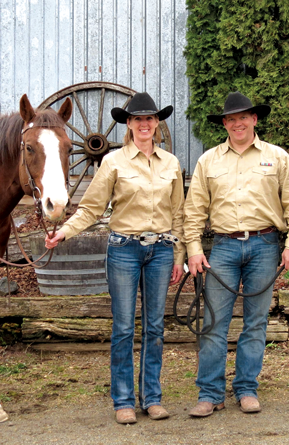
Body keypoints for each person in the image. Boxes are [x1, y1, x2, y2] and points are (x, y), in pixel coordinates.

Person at [44, 92, 185, 425]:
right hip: (124, 250)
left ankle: (152, 398)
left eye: (149, 118)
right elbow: (92, 208)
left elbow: (179, 213)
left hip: (161, 251)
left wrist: (179, 255)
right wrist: (65, 231)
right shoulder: (113, 162)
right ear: (129, 124)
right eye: (138, 119)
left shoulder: (171, 163)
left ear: (157, 123)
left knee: (155, 326)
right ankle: (123, 400)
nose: (144, 124)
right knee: (123, 327)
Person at [183, 92, 289, 417]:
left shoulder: (277, 157)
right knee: (213, 322)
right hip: (223, 247)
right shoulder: (208, 161)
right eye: (231, 119)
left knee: (256, 322)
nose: (237, 123)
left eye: (243, 117)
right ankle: (210, 394)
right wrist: (193, 249)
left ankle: (246, 388)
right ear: (224, 124)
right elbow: (193, 210)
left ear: (254, 119)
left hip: (265, 246)